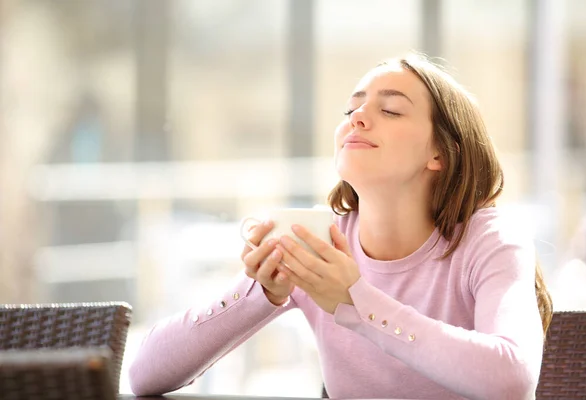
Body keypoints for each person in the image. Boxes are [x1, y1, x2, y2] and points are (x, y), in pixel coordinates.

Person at [129, 53, 553, 400]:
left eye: (389, 109)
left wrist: (356, 304)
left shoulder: (490, 240)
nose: (358, 118)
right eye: (350, 109)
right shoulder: (319, 243)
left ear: (440, 153)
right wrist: (260, 293)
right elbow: (144, 375)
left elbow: (511, 379)